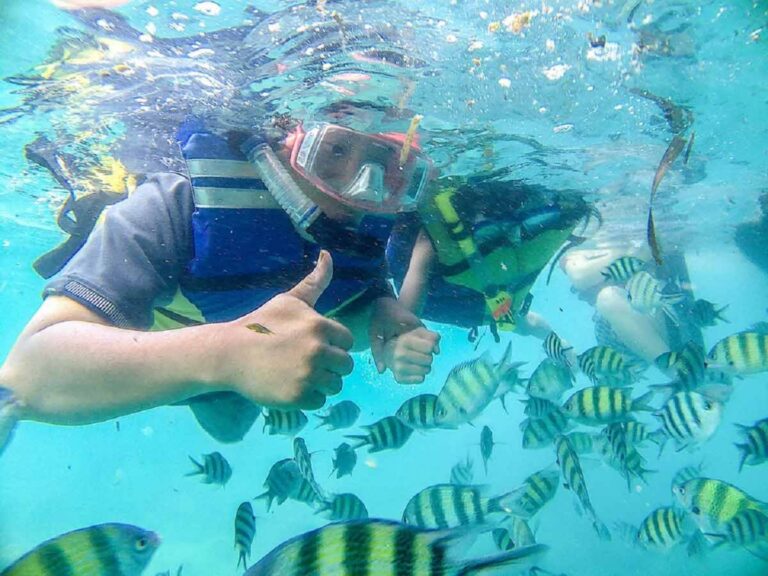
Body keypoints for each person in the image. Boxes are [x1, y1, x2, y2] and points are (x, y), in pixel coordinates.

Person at [0, 116, 441, 442]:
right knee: (226, 424)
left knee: (231, 429)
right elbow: (28, 375)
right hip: (152, 365)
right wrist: (228, 353)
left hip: (246, 363)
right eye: (336, 152)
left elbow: (346, 305)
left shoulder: (366, 222)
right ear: (286, 145)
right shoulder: (173, 204)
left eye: (387, 163)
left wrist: (380, 317)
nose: (361, 188)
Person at [380, 174, 594, 382]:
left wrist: (401, 336)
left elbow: (417, 275)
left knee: (520, 321)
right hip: (485, 298)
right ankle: (558, 343)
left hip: (456, 300)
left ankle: (557, 342)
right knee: (520, 320)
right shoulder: (437, 224)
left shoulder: (423, 230)